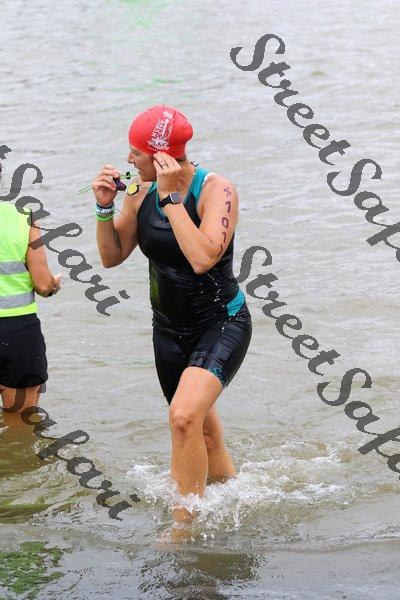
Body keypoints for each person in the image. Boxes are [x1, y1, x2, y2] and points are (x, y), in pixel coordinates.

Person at [92, 105, 252, 527]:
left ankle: (182, 526)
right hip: (167, 331)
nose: (128, 159)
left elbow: (202, 258)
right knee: (200, 431)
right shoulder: (139, 190)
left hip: (221, 323)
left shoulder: (216, 190)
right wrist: (104, 209)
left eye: (136, 153)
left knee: (182, 417)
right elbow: (111, 256)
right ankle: (235, 502)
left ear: (162, 156)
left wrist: (171, 199)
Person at [0, 202, 62, 422]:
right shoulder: (23, 217)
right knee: (20, 429)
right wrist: (53, 285)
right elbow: (43, 285)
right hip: (17, 333)